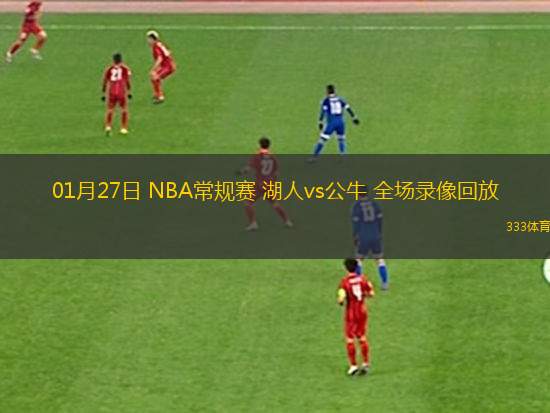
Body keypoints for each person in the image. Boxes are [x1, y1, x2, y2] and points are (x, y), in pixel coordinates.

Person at [239, 137, 292, 231]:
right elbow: (276, 173)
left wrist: (241, 172)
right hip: (269, 184)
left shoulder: (257, 156)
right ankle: (287, 221)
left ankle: (253, 223)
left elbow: (248, 168)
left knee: (248, 203)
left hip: (259, 184)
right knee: (274, 203)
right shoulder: (272, 157)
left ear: (260, 144)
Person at [337, 258, 375, 376]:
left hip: (351, 313)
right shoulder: (363, 279)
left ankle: (353, 366)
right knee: (362, 337)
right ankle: (366, 363)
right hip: (362, 311)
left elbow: (341, 298)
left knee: (350, 338)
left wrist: (341, 301)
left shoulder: (344, 282)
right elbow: (371, 293)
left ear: (346, 268)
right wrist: (363, 295)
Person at [311, 84, 359, 160]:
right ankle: (343, 156)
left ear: (327, 91)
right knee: (341, 139)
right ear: (335, 91)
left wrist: (320, 122)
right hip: (341, 122)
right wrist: (354, 118)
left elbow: (323, 112)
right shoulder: (340, 99)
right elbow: (348, 108)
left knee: (322, 139)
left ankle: (314, 156)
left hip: (331, 122)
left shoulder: (326, 100)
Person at [351, 195, 389, 290]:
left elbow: (355, 224)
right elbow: (380, 220)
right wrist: (379, 233)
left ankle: (359, 283)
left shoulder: (357, 206)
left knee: (359, 260)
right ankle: (384, 283)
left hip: (363, 236)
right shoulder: (375, 204)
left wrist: (355, 236)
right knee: (379, 259)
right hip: (375, 235)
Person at [102, 53, 132, 135]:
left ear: (113, 60)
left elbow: (105, 81)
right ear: (121, 60)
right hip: (121, 91)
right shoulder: (125, 68)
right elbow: (127, 80)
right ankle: (123, 128)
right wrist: (129, 90)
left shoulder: (109, 69)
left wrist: (103, 92)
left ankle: (108, 126)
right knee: (124, 109)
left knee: (110, 109)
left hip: (111, 91)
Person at [146, 30, 176, 104]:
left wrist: (153, 69)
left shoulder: (156, 47)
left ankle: (160, 96)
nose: (148, 41)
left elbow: (160, 58)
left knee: (155, 77)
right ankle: (157, 94)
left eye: (149, 39)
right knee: (154, 77)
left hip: (168, 67)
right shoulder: (160, 44)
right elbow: (168, 51)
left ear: (153, 39)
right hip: (168, 65)